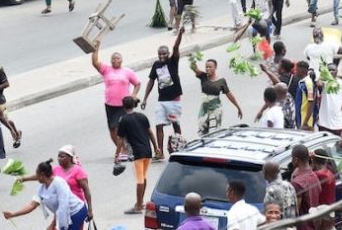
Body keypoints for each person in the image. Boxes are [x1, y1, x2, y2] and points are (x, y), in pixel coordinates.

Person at [3, 159, 88, 229]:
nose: (35, 176)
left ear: (42, 175)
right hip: (64, 216)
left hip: (76, 212)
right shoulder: (41, 189)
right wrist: (13, 214)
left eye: (37, 173)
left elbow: (63, 206)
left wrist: (57, 225)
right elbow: (31, 206)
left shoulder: (59, 183)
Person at [141, 28, 184, 161]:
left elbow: (176, 47)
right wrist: (145, 99)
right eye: (160, 54)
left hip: (174, 100)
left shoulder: (173, 61)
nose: (162, 56)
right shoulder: (156, 65)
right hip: (161, 100)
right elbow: (151, 81)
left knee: (174, 123)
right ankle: (159, 152)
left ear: (168, 53)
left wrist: (180, 34)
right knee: (158, 125)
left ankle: (179, 148)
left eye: (164, 54)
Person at [92, 41, 140, 160]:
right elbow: (95, 62)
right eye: (113, 58)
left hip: (123, 105)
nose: (115, 60)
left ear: (121, 60)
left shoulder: (127, 72)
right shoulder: (106, 70)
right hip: (110, 105)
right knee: (112, 130)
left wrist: (134, 95)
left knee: (119, 128)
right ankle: (123, 148)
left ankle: (124, 150)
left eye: (117, 58)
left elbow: (137, 83)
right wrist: (95, 49)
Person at [19, 146, 94, 221]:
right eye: (58, 156)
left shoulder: (78, 171)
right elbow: (41, 175)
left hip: (76, 208)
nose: (59, 158)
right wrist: (24, 179)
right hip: (62, 207)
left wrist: (90, 209)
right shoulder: (56, 170)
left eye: (62, 157)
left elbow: (86, 190)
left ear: (70, 158)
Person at [117, 96, 161, 214]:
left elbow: (120, 139)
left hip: (138, 153)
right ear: (134, 105)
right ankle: (140, 203)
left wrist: (117, 154)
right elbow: (150, 133)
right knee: (143, 177)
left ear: (123, 106)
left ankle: (138, 206)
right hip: (148, 151)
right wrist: (156, 147)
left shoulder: (123, 120)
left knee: (140, 179)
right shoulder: (142, 116)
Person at [190, 58, 243, 135]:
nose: (208, 69)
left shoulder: (221, 81)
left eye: (210, 67)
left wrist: (238, 107)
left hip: (215, 110)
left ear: (215, 67)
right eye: (206, 67)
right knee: (202, 133)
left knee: (213, 133)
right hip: (204, 110)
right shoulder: (203, 76)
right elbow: (194, 68)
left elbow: (229, 95)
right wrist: (192, 59)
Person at [290, 144, 320, 230]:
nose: (291, 160)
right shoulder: (314, 176)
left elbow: (295, 212)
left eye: (291, 158)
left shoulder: (297, 183)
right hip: (313, 225)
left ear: (296, 159)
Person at [311, 148, 336, 230]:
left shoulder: (318, 175)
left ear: (313, 161)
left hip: (322, 213)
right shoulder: (330, 172)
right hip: (330, 210)